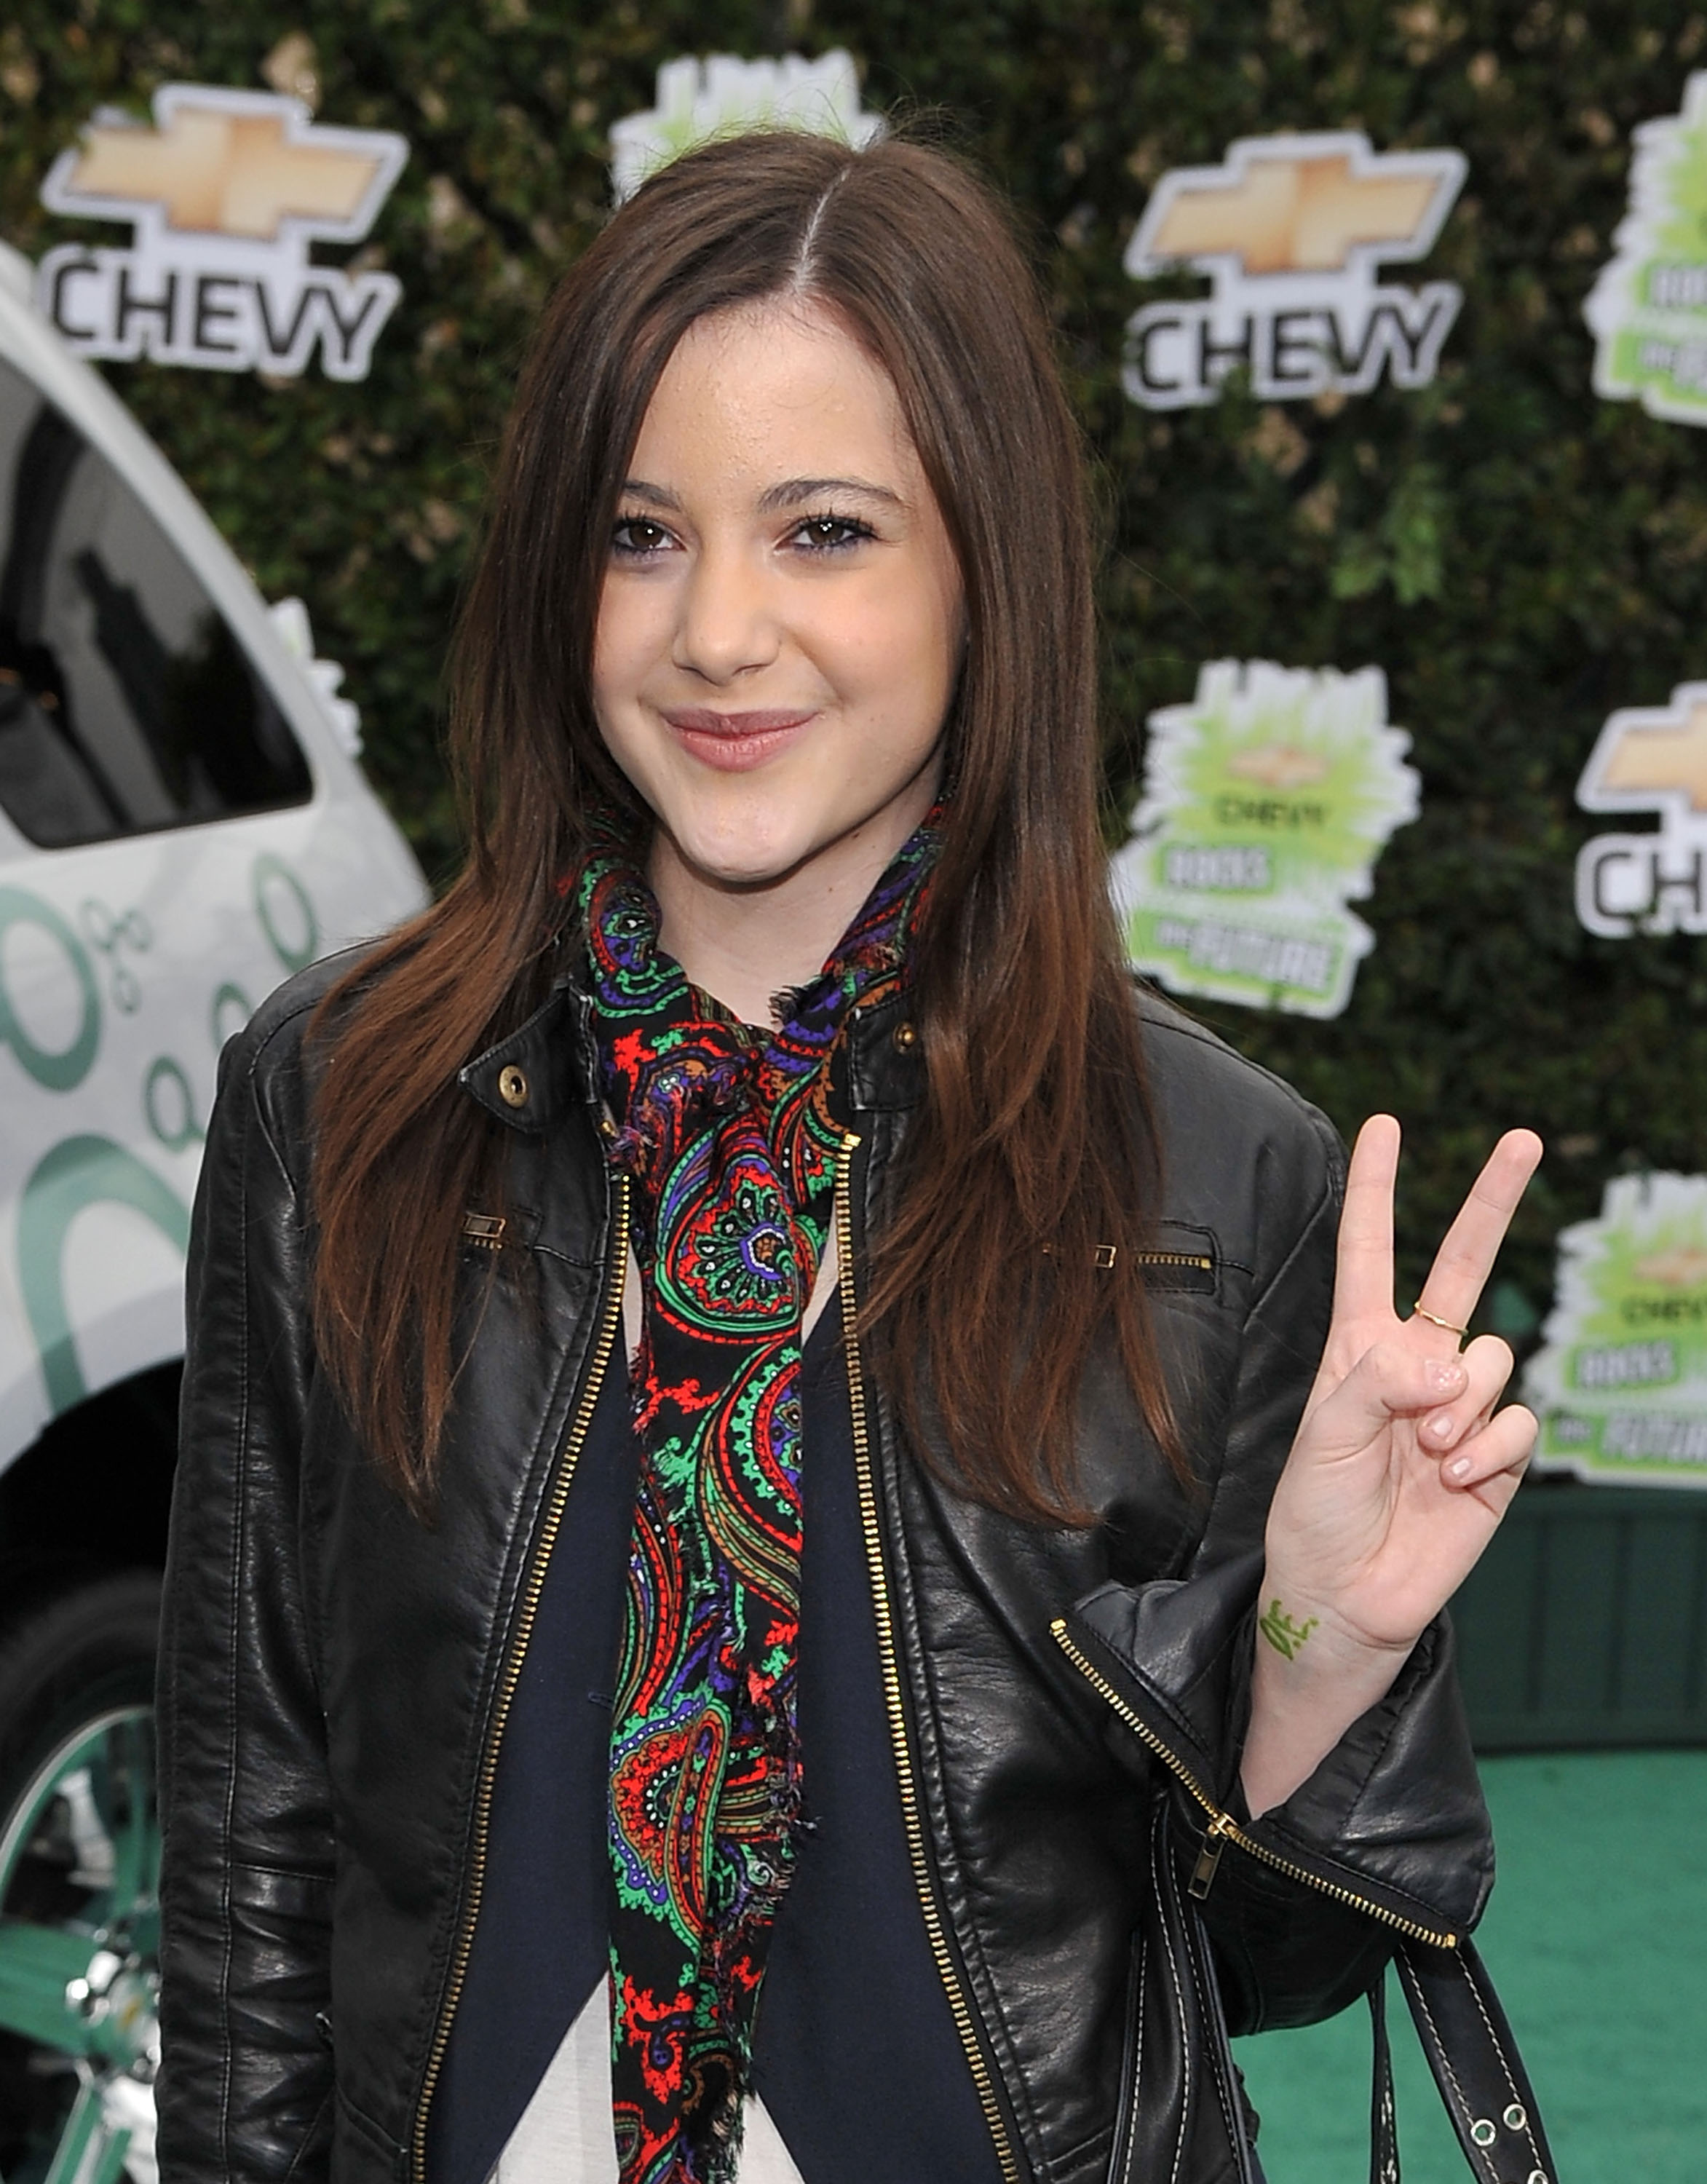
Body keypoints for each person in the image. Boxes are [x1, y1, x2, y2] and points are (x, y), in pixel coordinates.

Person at [156, 127, 1542, 2184]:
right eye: (638, 533)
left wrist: (1313, 1654)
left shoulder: (1206, 1185)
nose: (716, 630)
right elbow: (254, 1837)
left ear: (989, 566)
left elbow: (1245, 1965)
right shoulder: (347, 1097)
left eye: (821, 531)